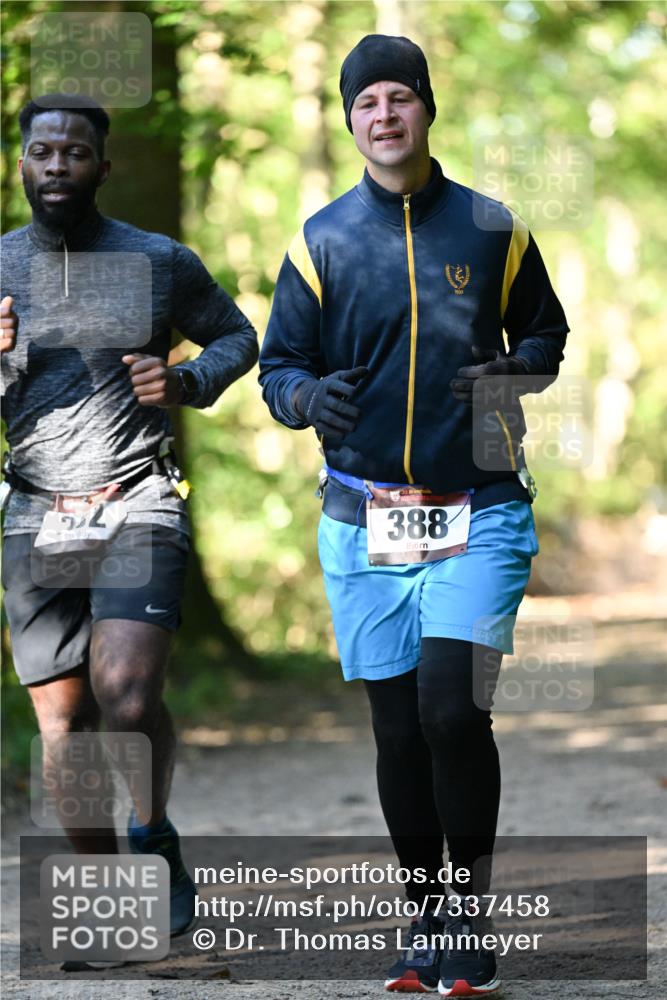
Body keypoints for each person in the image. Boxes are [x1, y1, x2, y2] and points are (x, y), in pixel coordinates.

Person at [259, 35, 568, 997]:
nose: (384, 115)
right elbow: (278, 369)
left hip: (479, 510)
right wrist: (309, 402)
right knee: (397, 731)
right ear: (348, 120)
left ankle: (468, 919)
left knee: (449, 706)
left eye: (400, 97)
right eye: (366, 103)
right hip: (361, 520)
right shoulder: (318, 242)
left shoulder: (490, 227)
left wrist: (515, 373)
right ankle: (425, 920)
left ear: (427, 109)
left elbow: (548, 334)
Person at [1, 94, 258, 959]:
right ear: (24, 165)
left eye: (75, 151)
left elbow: (235, 337)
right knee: (64, 726)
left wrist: (185, 382)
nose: (58, 164)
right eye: (42, 151)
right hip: (33, 510)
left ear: (103, 167)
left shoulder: (156, 258)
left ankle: (153, 832)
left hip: (137, 497)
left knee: (129, 695)